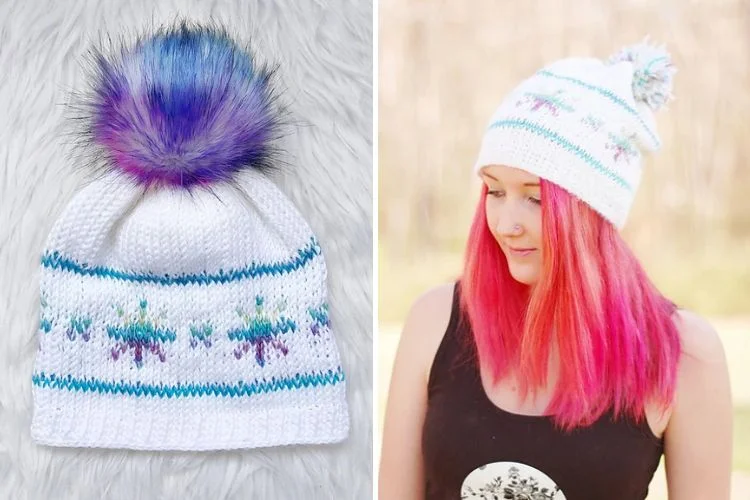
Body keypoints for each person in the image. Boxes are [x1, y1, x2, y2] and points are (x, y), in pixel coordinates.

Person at [379, 41, 733, 500]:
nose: (506, 224)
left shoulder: (682, 355)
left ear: (593, 212)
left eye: (535, 197)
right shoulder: (435, 321)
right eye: (494, 191)